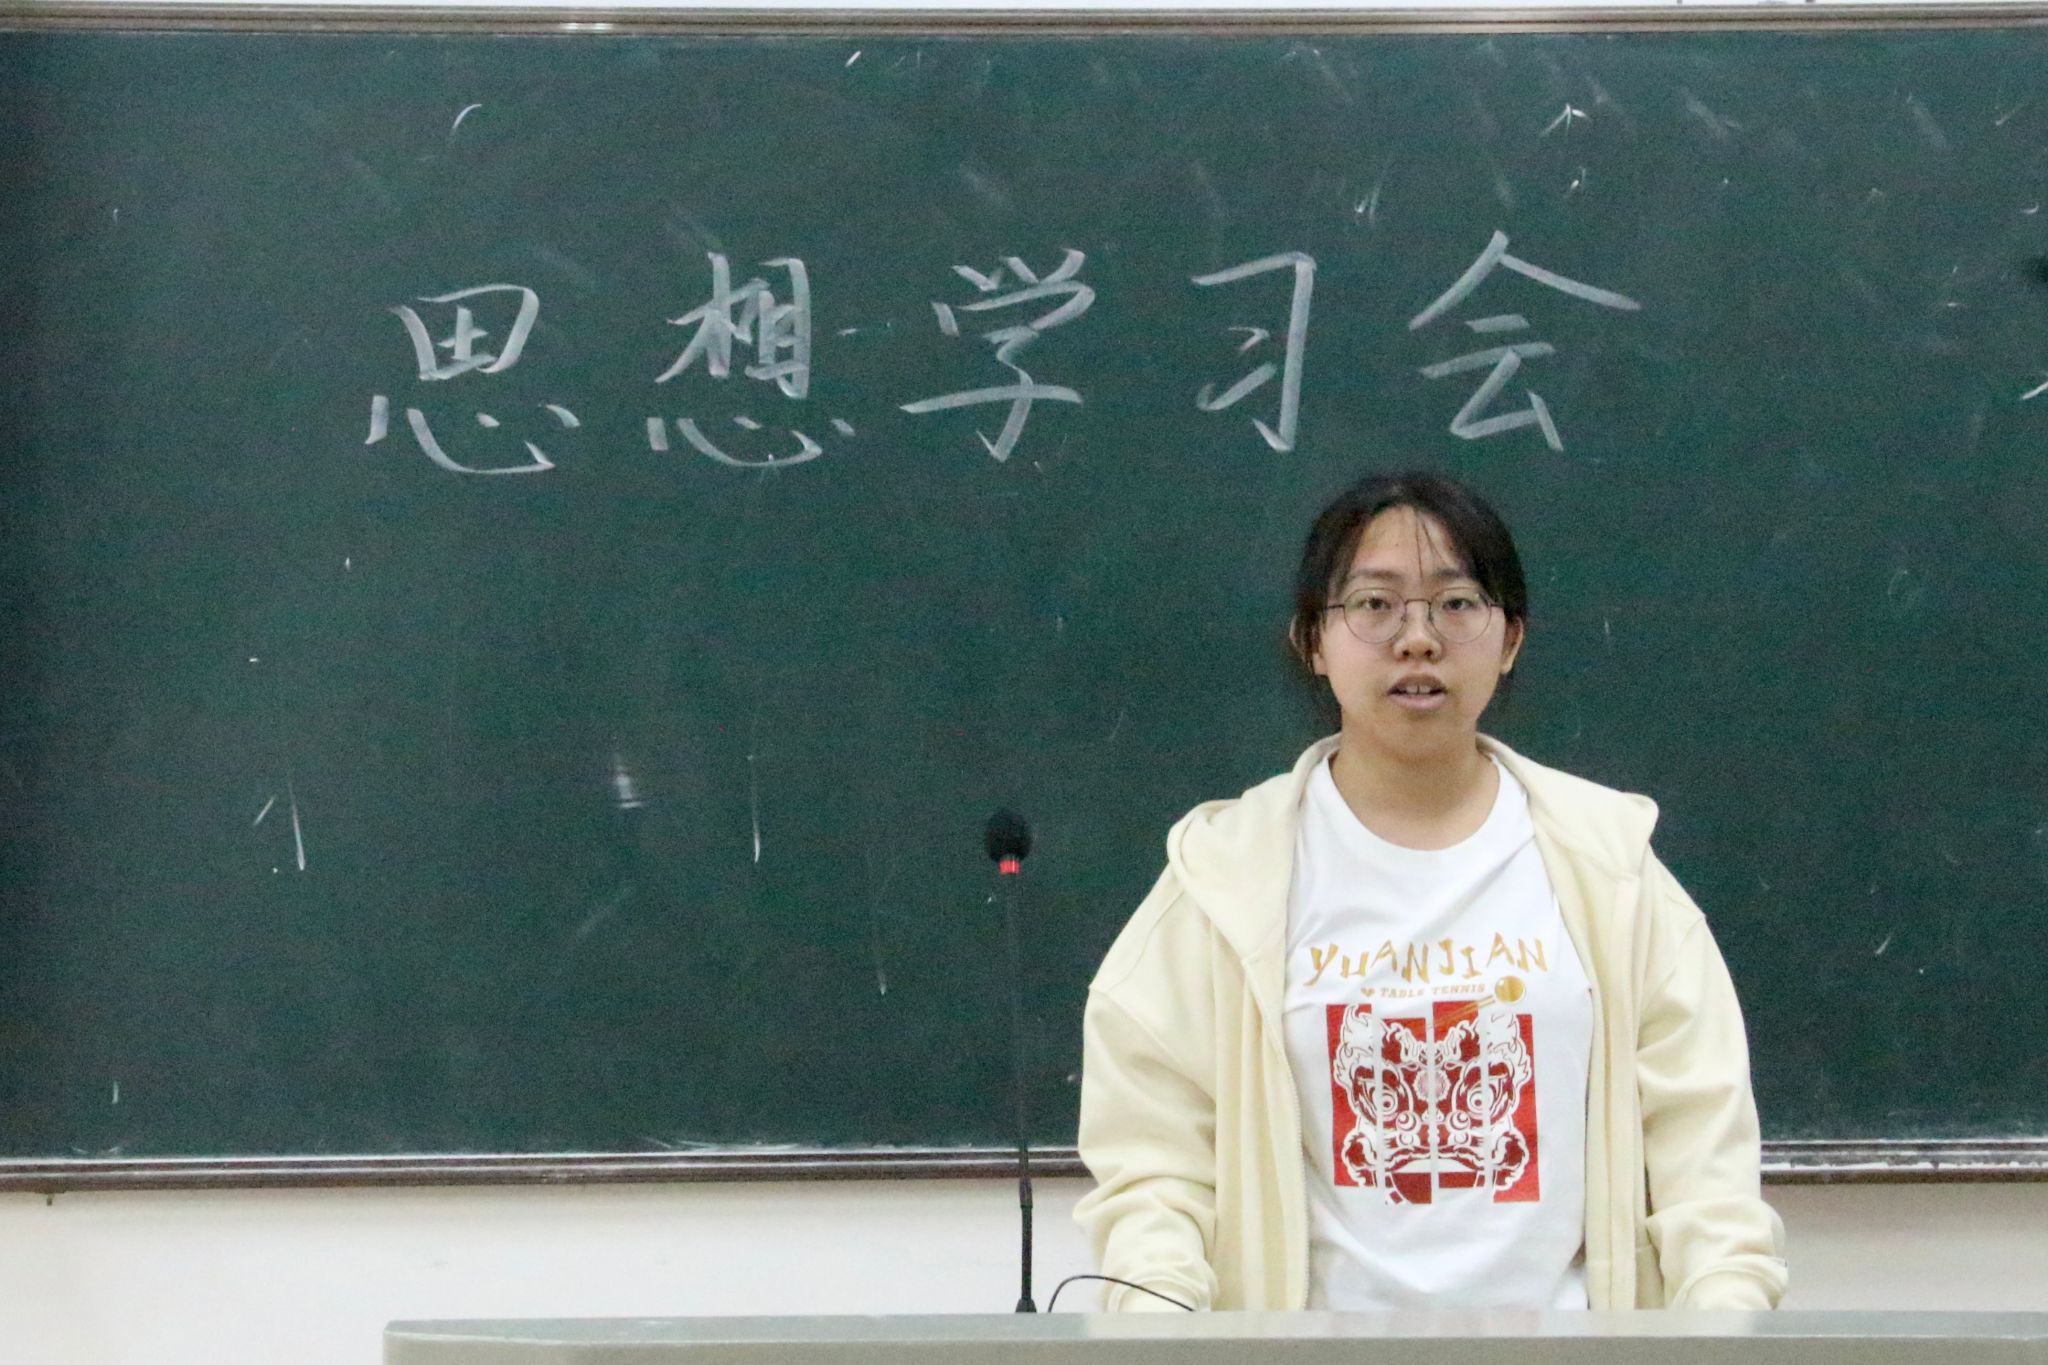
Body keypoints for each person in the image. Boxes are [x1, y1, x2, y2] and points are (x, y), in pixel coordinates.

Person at [1073, 470, 1787, 1313]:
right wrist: (1158, 1319)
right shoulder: (1227, 879)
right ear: (1312, 640)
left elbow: (1706, 1171)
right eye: (1374, 605)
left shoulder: (1612, 868)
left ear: (1510, 638)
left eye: (1456, 604)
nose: (1418, 639)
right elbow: (1153, 1175)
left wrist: (1726, 1321)